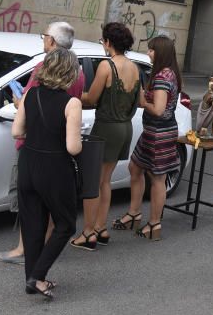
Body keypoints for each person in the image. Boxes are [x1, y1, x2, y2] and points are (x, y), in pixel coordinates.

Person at [0, 22, 85, 265]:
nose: (43, 40)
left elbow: (23, 116)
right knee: (54, 207)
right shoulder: (79, 72)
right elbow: (72, 133)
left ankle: (25, 251)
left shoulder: (41, 70)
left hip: (33, 149)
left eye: (45, 36)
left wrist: (17, 102)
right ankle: (43, 252)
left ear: (52, 42)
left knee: (30, 206)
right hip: (59, 153)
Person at [12, 48, 83, 299]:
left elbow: (16, 131)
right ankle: (37, 275)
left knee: (33, 225)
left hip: (29, 162)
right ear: (70, 73)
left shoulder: (30, 94)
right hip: (55, 168)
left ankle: (34, 280)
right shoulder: (72, 103)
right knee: (65, 225)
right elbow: (73, 147)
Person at [71, 22, 141, 249]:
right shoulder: (134, 67)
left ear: (109, 42)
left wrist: (70, 94)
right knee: (105, 181)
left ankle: (89, 232)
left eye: (103, 40)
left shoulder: (106, 66)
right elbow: (138, 100)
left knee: (93, 182)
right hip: (124, 127)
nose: (102, 44)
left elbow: (91, 99)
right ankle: (101, 228)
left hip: (107, 127)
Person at [124, 35, 182, 241]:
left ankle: (154, 224)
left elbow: (158, 109)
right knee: (135, 167)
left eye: (151, 49)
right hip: (155, 131)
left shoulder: (162, 77)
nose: (148, 53)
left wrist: (142, 100)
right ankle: (134, 213)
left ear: (161, 53)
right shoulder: (169, 73)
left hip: (160, 132)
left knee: (158, 178)